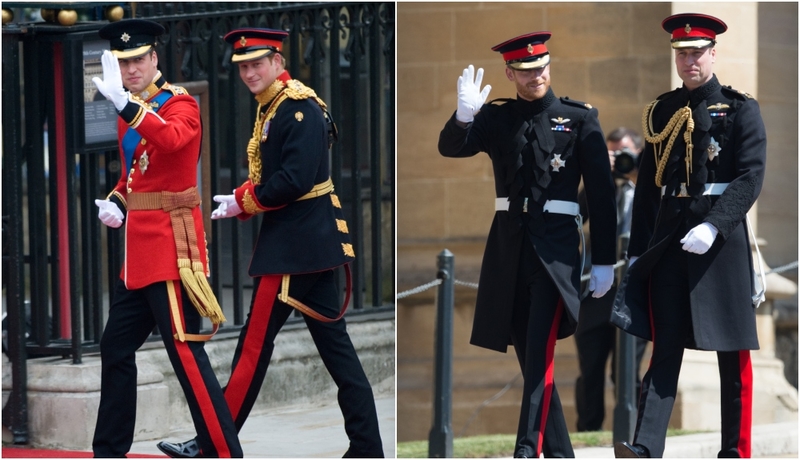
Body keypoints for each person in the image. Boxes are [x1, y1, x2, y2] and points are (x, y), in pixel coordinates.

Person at [156, 28, 384, 458]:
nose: (248, 73)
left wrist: (245, 199)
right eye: (242, 66)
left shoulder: (296, 108)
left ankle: (212, 442)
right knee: (338, 354)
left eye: (256, 64)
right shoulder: (276, 106)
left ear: (278, 62)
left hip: (295, 249)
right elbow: (278, 176)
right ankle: (367, 447)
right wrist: (242, 201)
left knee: (253, 347)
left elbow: (293, 181)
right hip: (307, 245)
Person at [438, 32, 618, 458]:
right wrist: (464, 116)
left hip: (554, 255)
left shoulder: (578, 118)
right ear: (509, 73)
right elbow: (450, 147)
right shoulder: (497, 117)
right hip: (507, 252)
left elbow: (602, 195)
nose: (535, 76)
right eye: (524, 70)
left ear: (549, 66)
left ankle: (525, 450)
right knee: (531, 361)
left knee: (539, 353)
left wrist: (606, 260)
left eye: (540, 67)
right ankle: (559, 453)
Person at [612, 13, 766, 458]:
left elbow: (750, 178)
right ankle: (645, 447)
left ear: (713, 54)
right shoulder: (663, 109)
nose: (689, 60)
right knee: (664, 349)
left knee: (733, 355)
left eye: (697, 52)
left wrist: (715, 224)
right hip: (671, 240)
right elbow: (648, 187)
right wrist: (638, 251)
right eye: (682, 53)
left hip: (720, 242)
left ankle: (735, 451)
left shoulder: (740, 109)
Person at [91, 19, 242, 458]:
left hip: (172, 250)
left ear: (155, 58)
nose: (131, 68)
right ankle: (109, 450)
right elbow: (135, 176)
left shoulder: (180, 103)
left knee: (185, 354)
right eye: (123, 62)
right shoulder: (130, 106)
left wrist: (127, 106)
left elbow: (174, 141)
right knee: (114, 346)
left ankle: (222, 450)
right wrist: (117, 200)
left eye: (138, 59)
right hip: (139, 254)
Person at [574, 127, 648, 432]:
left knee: (626, 371)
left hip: (635, 293)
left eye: (624, 154)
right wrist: (597, 173)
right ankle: (588, 433)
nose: (620, 160)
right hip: (595, 291)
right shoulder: (600, 187)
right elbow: (573, 217)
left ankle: (631, 432)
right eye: (613, 154)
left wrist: (637, 176)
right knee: (590, 370)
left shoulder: (648, 187)